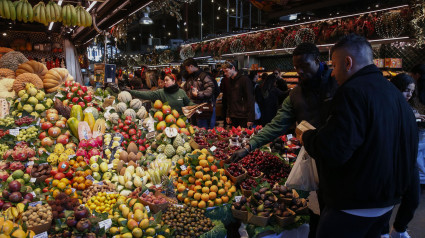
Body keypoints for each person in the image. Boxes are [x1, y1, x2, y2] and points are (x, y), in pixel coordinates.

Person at [297, 34, 418, 238]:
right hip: (385, 205)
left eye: (334, 65)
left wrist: (307, 136)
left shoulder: (352, 92)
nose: (333, 73)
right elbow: (408, 151)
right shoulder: (395, 94)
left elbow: (334, 149)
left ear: (348, 62)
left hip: (351, 205)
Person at [230, 42, 337, 238]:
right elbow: (276, 125)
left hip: (343, 160)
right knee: (321, 206)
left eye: (304, 66)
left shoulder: (339, 83)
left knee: (339, 214)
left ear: (317, 61)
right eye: (296, 68)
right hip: (316, 158)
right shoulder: (295, 95)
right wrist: (248, 146)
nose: (300, 72)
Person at [379, 73, 421, 238]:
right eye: (405, 91)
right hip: (389, 161)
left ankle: (399, 229)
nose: (409, 95)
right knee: (386, 200)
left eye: (411, 91)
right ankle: (383, 232)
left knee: (413, 198)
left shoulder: (408, 109)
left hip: (408, 161)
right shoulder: (384, 106)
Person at [127, 73, 194, 115]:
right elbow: (147, 94)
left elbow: (188, 102)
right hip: (167, 122)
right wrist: (131, 91)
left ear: (173, 81)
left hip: (181, 120)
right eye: (164, 80)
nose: (165, 82)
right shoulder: (160, 92)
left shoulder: (181, 91)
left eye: (167, 80)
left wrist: (195, 106)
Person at [182, 58, 216, 129]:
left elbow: (210, 90)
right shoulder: (190, 77)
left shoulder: (204, 76)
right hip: (192, 109)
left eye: (186, 68)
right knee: (194, 130)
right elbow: (186, 90)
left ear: (191, 66)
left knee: (203, 131)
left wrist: (198, 94)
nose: (186, 70)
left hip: (203, 110)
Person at [222, 61, 255, 128]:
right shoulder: (229, 80)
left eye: (226, 71)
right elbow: (229, 99)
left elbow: (250, 99)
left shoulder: (244, 80)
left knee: (244, 137)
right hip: (233, 115)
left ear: (233, 68)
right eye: (224, 71)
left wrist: (250, 118)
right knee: (233, 136)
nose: (225, 73)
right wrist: (228, 115)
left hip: (244, 116)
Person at [410, 64, 425, 190]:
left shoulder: (419, 87)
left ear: (417, 75)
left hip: (421, 124)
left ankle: (421, 179)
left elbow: (419, 105)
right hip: (421, 122)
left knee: (417, 151)